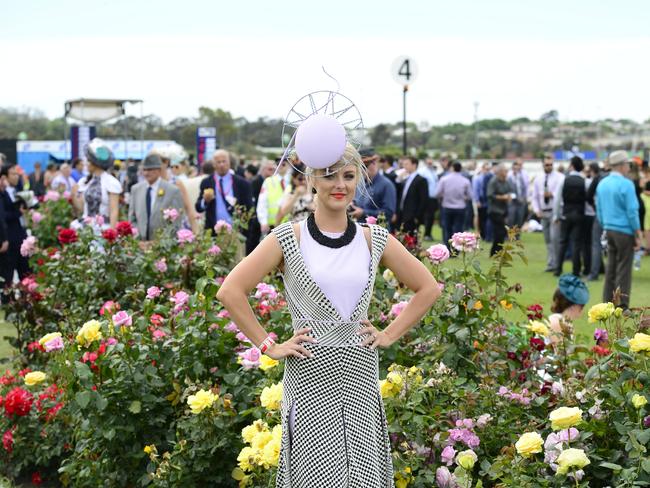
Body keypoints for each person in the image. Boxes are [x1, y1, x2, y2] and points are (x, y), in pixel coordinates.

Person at [216, 142, 440, 487]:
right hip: (308, 377)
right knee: (313, 476)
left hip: (360, 377)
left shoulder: (373, 239)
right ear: (312, 180)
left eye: (349, 176)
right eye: (329, 175)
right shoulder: (288, 238)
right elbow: (230, 291)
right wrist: (268, 345)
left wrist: (388, 335)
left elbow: (428, 288)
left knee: (363, 475)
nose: (340, 184)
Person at [596, 150, 642, 308]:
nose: (629, 166)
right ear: (622, 165)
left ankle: (607, 302)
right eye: (627, 164)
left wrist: (605, 224)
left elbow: (599, 209)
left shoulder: (602, 183)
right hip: (624, 230)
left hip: (609, 228)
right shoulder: (626, 184)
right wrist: (638, 231)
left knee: (611, 268)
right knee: (624, 269)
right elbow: (632, 211)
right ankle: (622, 304)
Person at [195, 149, 252, 235]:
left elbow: (249, 208)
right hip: (213, 232)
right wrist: (205, 201)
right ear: (213, 164)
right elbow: (198, 207)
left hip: (235, 233)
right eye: (218, 162)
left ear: (229, 162)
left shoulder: (242, 183)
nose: (222, 164)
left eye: (224, 161)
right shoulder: (207, 182)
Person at [128, 154, 184, 241]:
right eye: (144, 170)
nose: (146, 173)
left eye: (150, 169)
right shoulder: (136, 189)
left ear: (159, 170)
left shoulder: (172, 191)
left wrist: (160, 243)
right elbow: (132, 219)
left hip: (162, 246)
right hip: (140, 246)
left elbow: (176, 223)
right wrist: (137, 239)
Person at [73, 139, 122, 228]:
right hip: (86, 229)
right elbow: (82, 208)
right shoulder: (84, 181)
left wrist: (112, 232)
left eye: (88, 161)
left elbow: (114, 210)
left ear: (95, 163)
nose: (86, 164)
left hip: (103, 229)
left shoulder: (111, 182)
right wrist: (74, 194)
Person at [553, 156, 587, 276]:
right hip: (579, 214)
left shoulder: (564, 180)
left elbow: (557, 199)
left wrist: (556, 216)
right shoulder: (584, 181)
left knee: (563, 241)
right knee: (576, 243)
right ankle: (576, 270)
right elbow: (587, 200)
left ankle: (558, 268)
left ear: (571, 165)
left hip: (566, 213)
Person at [531, 153, 564, 272]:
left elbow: (561, 195)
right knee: (548, 239)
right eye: (546, 165)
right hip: (543, 212)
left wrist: (552, 194)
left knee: (555, 238)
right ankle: (551, 263)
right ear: (543, 165)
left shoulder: (560, 177)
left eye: (550, 164)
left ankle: (556, 263)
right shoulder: (538, 178)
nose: (549, 166)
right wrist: (536, 210)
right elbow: (534, 196)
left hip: (555, 211)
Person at [0, 164, 29, 292]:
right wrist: (18, 213)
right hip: (9, 238)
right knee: (8, 275)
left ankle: (25, 299)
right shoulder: (3, 193)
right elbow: (3, 215)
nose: (16, 176)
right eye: (13, 174)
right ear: (4, 177)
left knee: (25, 271)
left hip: (20, 235)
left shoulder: (17, 190)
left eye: (17, 174)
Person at [350, 148, 396, 224]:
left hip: (378, 231)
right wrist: (352, 204)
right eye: (360, 167)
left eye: (365, 165)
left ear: (374, 163)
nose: (362, 170)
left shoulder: (387, 185)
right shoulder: (360, 183)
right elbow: (358, 201)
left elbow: (388, 213)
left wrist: (363, 213)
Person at [547, 274, 589, 349]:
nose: (582, 311)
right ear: (573, 306)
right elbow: (560, 355)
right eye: (581, 307)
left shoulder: (564, 322)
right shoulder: (556, 323)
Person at [435, 160, 472, 247]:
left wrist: (444, 195)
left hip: (447, 206)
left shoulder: (444, 179)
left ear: (452, 168)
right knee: (458, 229)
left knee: (447, 228)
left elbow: (437, 193)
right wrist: (464, 197)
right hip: (460, 207)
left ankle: (448, 246)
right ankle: (456, 248)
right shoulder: (465, 181)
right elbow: (470, 196)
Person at [394, 156, 428, 238]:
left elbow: (423, 200)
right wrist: (399, 178)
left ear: (414, 165)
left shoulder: (421, 180)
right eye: (403, 164)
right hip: (402, 214)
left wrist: (417, 217)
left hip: (412, 216)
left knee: (412, 240)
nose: (404, 166)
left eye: (406, 164)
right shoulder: (405, 178)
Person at [487, 163, 514, 256]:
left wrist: (509, 196)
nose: (506, 173)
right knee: (500, 232)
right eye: (505, 171)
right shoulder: (493, 181)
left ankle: (496, 252)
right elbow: (490, 195)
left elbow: (510, 191)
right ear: (499, 172)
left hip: (503, 210)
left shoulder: (506, 181)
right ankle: (496, 252)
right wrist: (502, 197)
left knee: (501, 232)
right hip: (495, 211)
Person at [586, 162, 607, 280]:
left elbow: (588, 196)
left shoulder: (597, 179)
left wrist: (594, 206)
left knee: (596, 244)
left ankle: (594, 273)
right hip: (614, 216)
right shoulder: (610, 178)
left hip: (600, 214)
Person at [257, 160, 289, 236]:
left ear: (289, 166)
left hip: (290, 223)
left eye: (283, 164)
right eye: (278, 164)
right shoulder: (268, 181)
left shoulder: (294, 180)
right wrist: (263, 222)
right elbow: (262, 203)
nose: (280, 166)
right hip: (272, 224)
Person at [417, 158, 439, 241]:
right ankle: (420, 234)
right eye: (428, 162)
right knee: (424, 216)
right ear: (425, 162)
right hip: (426, 197)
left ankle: (428, 233)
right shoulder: (422, 171)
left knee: (431, 217)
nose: (430, 163)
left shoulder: (433, 172)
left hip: (433, 198)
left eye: (431, 162)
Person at [506, 158, 529, 233]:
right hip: (512, 202)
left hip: (521, 201)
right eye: (516, 167)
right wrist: (516, 198)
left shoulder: (521, 176)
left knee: (519, 219)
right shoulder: (509, 176)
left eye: (519, 166)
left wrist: (524, 198)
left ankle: (517, 235)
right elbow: (509, 190)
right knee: (511, 219)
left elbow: (525, 188)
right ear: (513, 167)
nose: (517, 168)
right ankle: (510, 235)